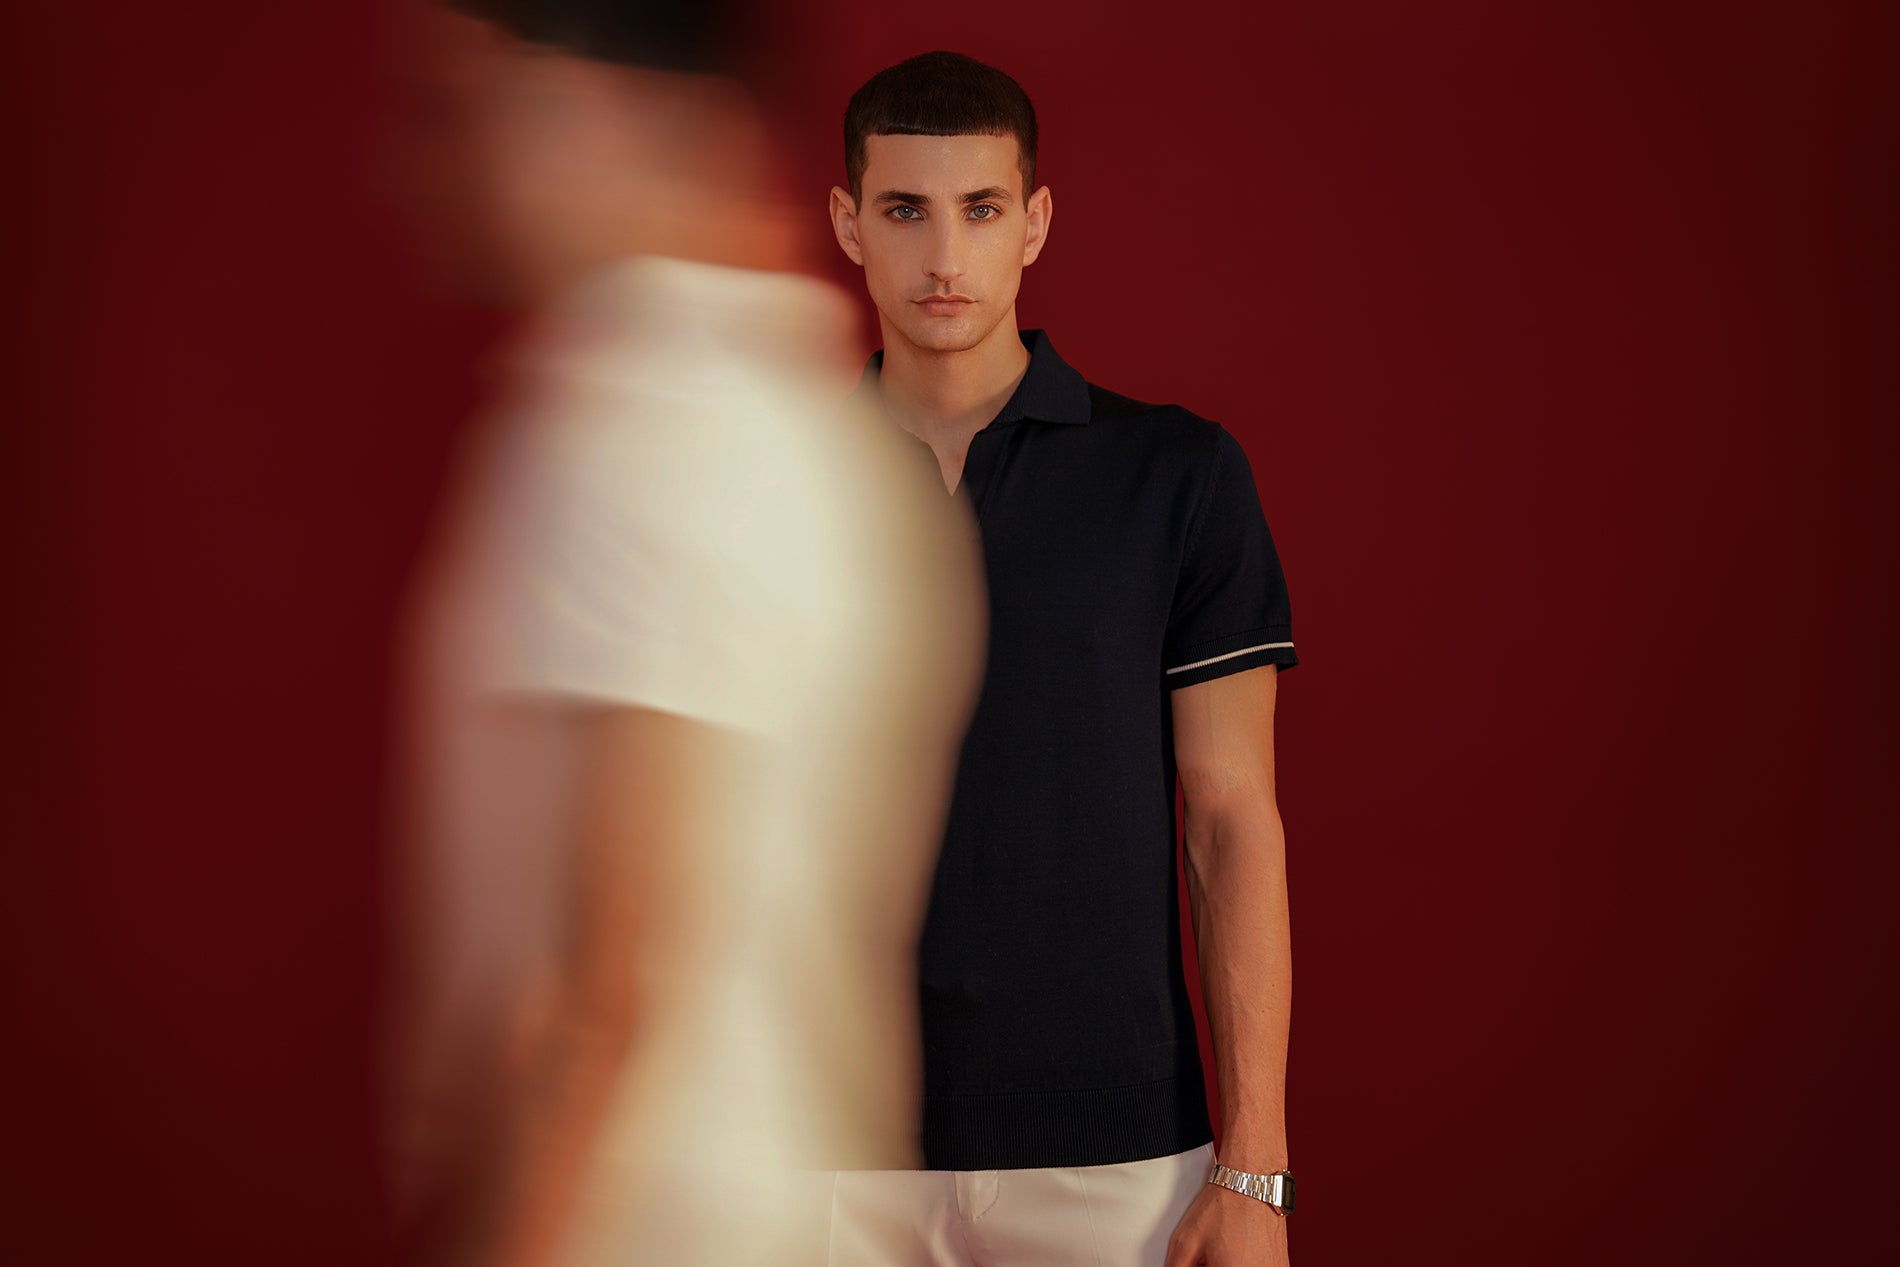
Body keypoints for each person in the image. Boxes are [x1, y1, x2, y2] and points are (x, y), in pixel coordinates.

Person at [383, 10, 984, 1267]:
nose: (427, 163)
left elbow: (600, 983)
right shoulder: (826, 440)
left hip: (642, 1222)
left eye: (470, 109)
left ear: (590, 113)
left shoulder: (646, 432)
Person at [825, 51, 1299, 1267]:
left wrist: (1254, 1167)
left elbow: (1229, 817)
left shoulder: (1176, 474)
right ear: (847, 224)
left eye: (981, 210)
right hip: (813, 1138)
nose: (945, 256)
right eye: (905, 210)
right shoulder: (768, 479)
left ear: (1034, 223)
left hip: (1115, 1155)